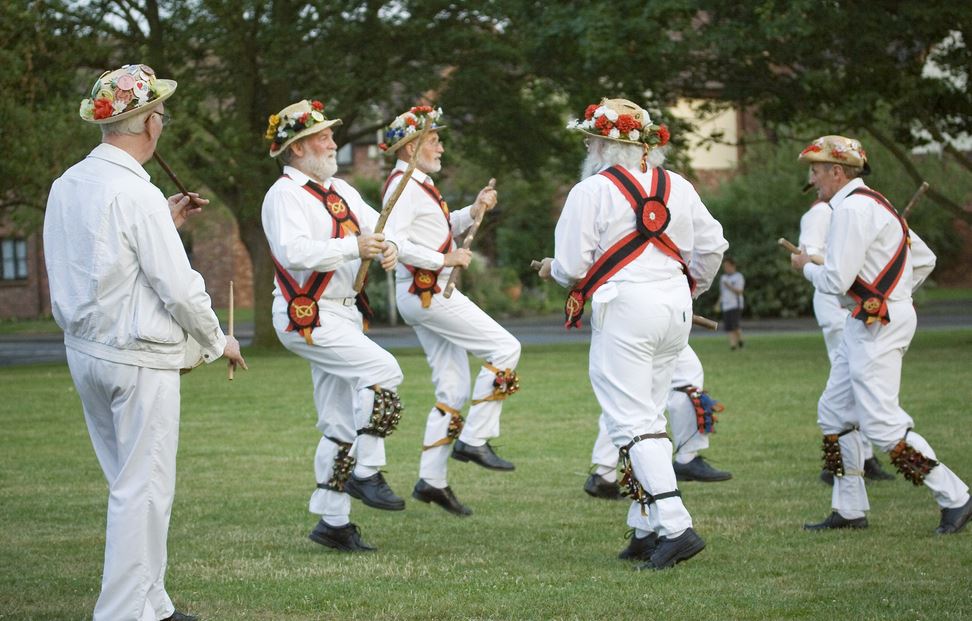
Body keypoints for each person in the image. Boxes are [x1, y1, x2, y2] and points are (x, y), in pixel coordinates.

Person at [44, 64, 246, 621]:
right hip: (135, 360)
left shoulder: (69, 184)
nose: (162, 122)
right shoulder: (135, 192)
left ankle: (153, 603)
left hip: (87, 353)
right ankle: (123, 614)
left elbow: (103, 261)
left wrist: (165, 219)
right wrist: (217, 341)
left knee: (132, 486)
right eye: (160, 113)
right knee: (145, 490)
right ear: (149, 123)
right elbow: (179, 287)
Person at [538, 98, 727, 569]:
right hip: (675, 310)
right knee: (650, 415)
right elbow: (714, 245)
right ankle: (645, 527)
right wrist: (689, 289)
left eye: (590, 138)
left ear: (604, 144)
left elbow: (574, 266)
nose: (586, 145)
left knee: (630, 419)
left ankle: (676, 525)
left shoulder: (590, 191)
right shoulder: (678, 185)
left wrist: (552, 271)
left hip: (624, 309)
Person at [792, 135, 971, 534]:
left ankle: (956, 496)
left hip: (878, 324)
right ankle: (850, 508)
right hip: (874, 318)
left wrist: (804, 266)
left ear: (837, 172)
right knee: (835, 412)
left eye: (817, 171)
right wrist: (896, 294)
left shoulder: (852, 211)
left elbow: (837, 280)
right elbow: (924, 259)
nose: (813, 179)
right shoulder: (878, 204)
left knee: (882, 424)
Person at [261, 99, 404, 552]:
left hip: (343, 311)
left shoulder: (340, 188)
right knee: (384, 372)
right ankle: (367, 471)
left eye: (330, 135)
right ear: (298, 148)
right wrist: (353, 248)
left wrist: (389, 247)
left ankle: (333, 522)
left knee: (339, 420)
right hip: (308, 313)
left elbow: (374, 229)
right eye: (323, 137)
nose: (333, 143)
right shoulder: (283, 195)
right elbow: (293, 252)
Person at [380, 105, 520, 516]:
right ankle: (474, 439)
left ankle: (431, 480)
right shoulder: (403, 186)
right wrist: (445, 262)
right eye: (434, 139)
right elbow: (391, 241)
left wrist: (472, 211)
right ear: (410, 147)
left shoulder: (418, 184)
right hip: (429, 293)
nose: (441, 146)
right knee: (505, 348)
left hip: (425, 294)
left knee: (454, 388)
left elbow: (436, 230)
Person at [799, 198, 895, 484]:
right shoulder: (820, 213)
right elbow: (810, 253)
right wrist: (837, 267)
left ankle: (860, 458)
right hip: (835, 304)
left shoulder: (857, 208)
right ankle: (848, 460)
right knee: (849, 385)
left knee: (858, 384)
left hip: (858, 301)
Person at [585, 344, 731, 504]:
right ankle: (608, 473)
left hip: (652, 326)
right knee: (631, 396)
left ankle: (607, 473)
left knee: (681, 375)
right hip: (639, 327)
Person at [718, 257, 745, 349]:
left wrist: (729, 286)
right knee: (728, 326)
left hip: (735, 304)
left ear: (733, 266)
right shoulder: (723, 278)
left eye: (727, 266)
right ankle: (733, 345)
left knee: (735, 325)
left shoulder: (738, 277)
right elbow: (722, 292)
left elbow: (740, 291)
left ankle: (740, 340)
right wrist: (718, 303)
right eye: (724, 267)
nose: (726, 268)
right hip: (726, 305)